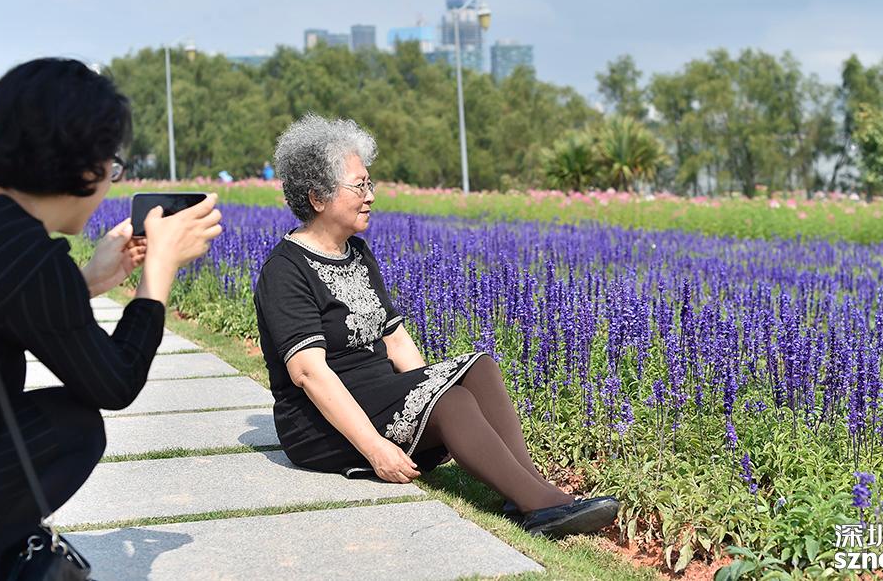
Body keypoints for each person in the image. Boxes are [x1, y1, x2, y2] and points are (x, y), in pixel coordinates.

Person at [254, 114, 619, 537]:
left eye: (370, 183)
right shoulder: (285, 271)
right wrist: (376, 448)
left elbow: (394, 339)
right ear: (318, 197)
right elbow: (308, 372)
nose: (371, 196)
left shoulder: (357, 252)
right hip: (320, 424)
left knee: (477, 368)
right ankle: (543, 508)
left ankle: (529, 491)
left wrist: (428, 398)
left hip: (378, 395)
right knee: (451, 402)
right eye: (359, 186)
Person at [0, 58, 223, 567]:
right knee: (74, 426)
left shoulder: (2, 236)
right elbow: (113, 384)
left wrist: (86, 281)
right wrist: (158, 272)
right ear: (85, 167)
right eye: (112, 166)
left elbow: (3, 300)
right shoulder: (27, 255)